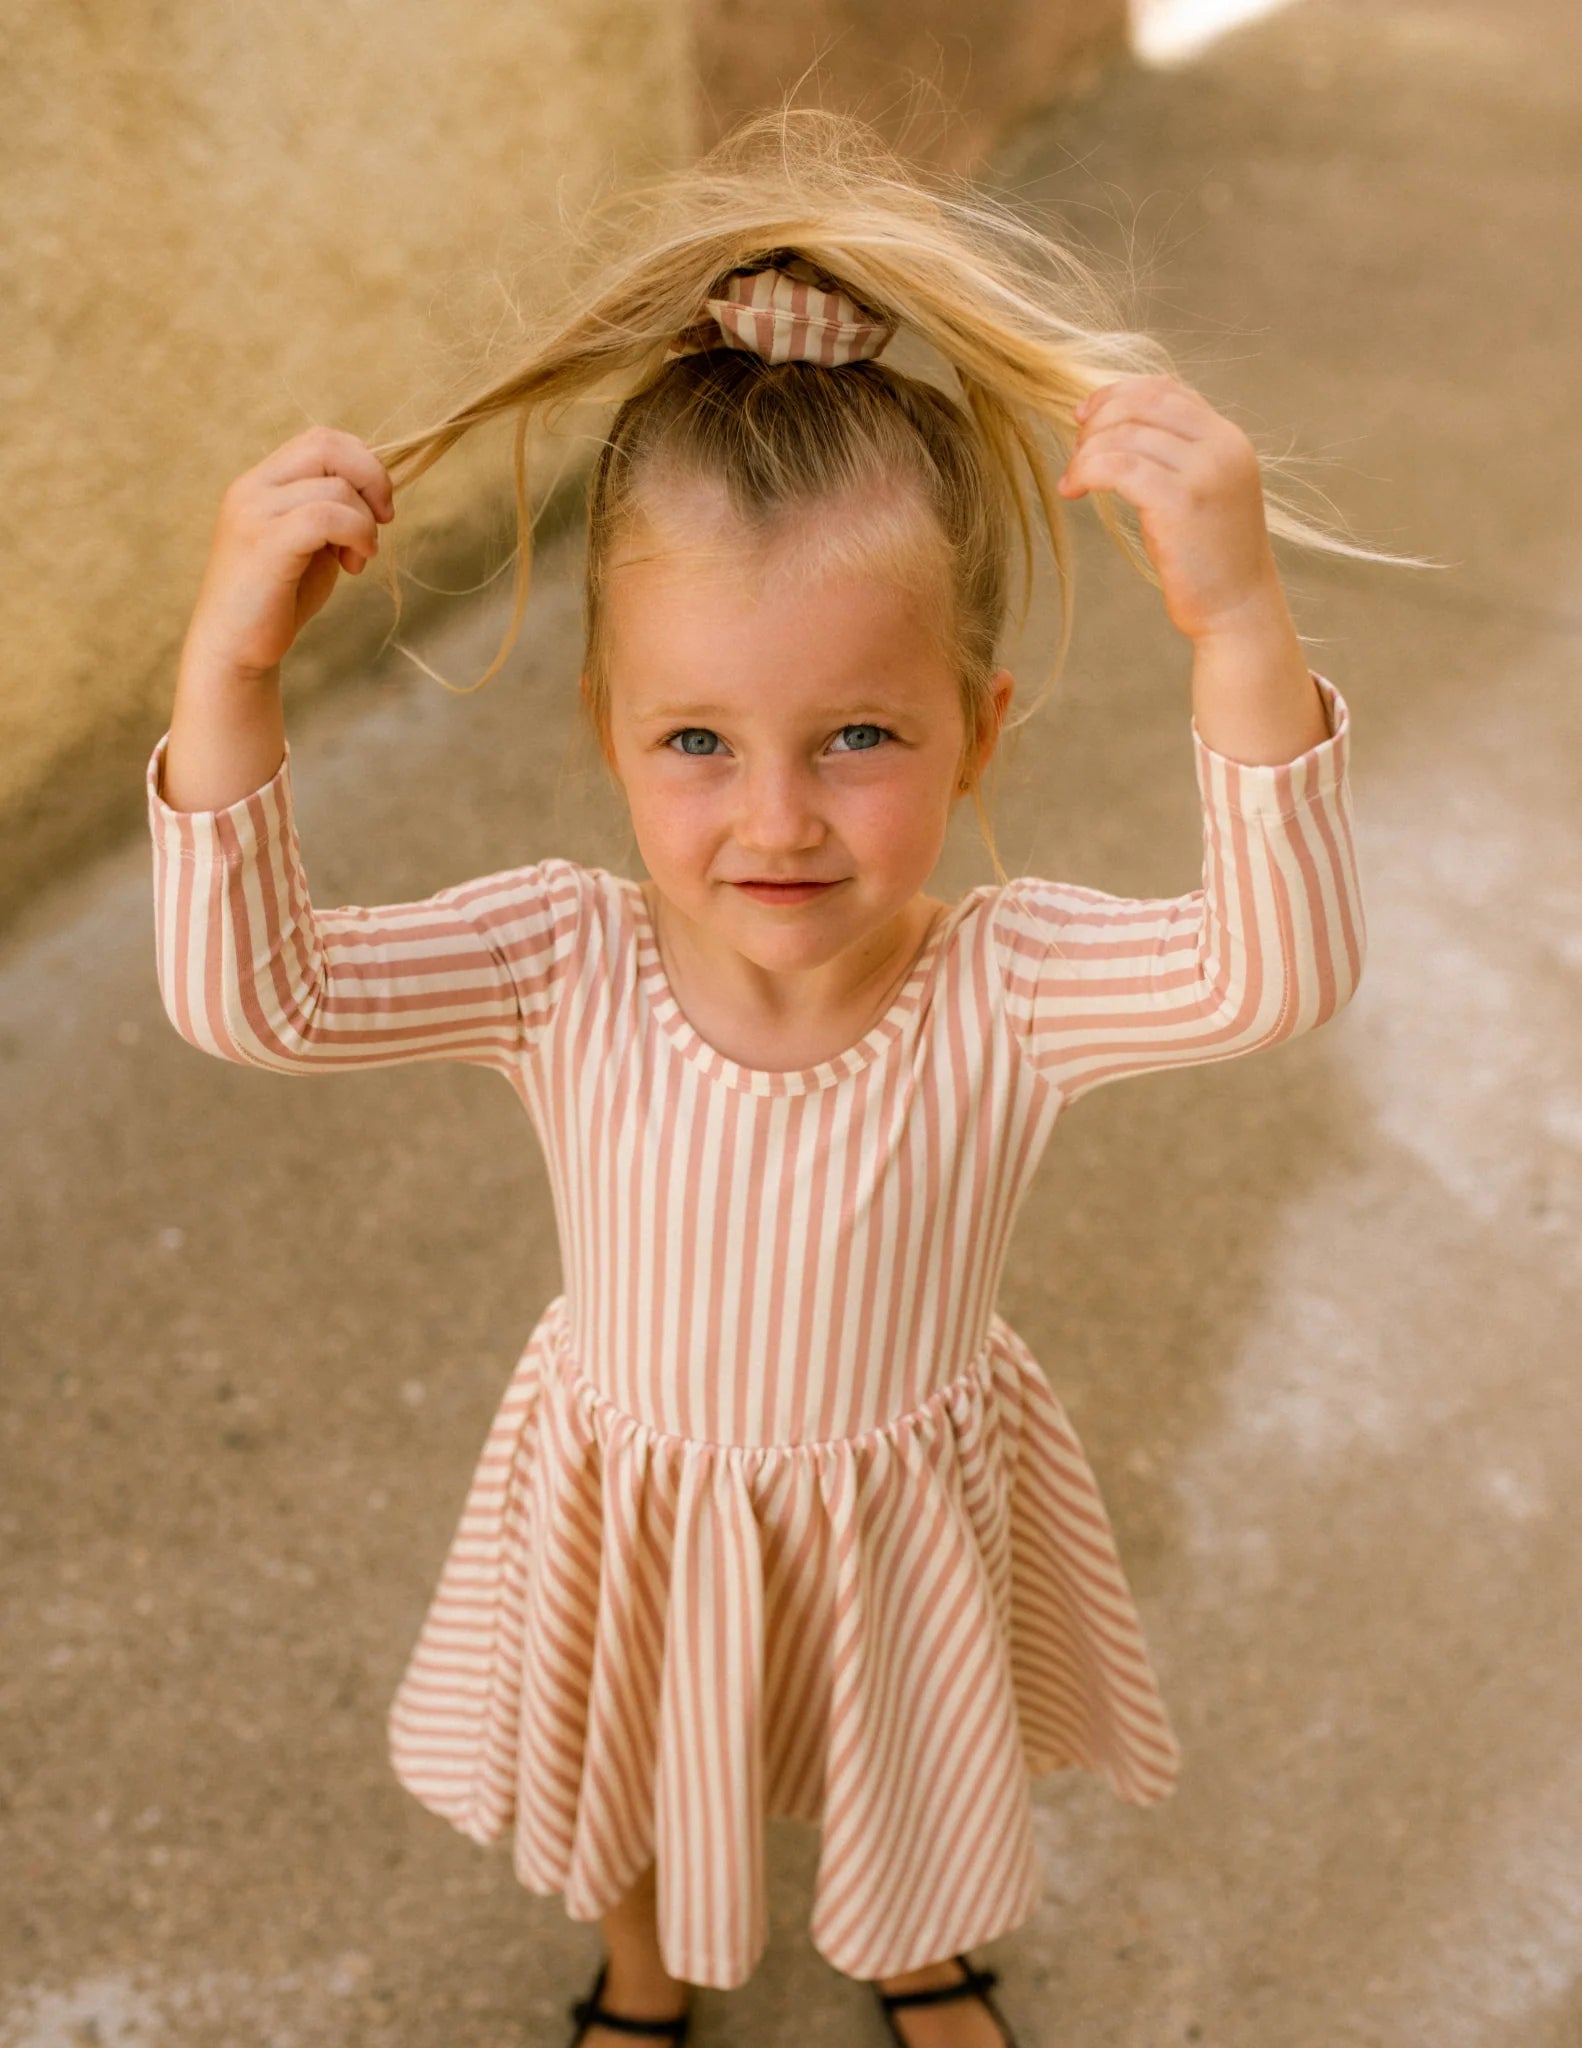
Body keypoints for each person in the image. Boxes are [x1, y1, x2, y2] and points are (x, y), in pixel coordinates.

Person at [146, 106, 1392, 2048]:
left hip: (898, 1499)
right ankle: (642, 1975)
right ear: (607, 732)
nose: (778, 819)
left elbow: (1274, 967)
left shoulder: (1005, 981)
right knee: (641, 1754)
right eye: (698, 742)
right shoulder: (567, 959)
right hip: (632, 1494)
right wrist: (226, 675)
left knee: (900, 1752)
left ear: (980, 732)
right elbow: (260, 995)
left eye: (861, 732)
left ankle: (907, 1945)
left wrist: (1235, 621)